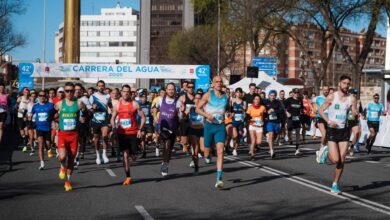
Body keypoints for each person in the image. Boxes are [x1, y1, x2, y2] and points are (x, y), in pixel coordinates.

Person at [317, 75, 357, 194]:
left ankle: (335, 184)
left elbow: (353, 112)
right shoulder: (332, 96)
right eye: (344, 83)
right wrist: (329, 121)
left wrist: (354, 112)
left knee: (342, 159)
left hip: (344, 130)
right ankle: (325, 151)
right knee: (335, 159)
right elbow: (320, 111)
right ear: (339, 83)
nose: (346, 86)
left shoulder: (352, 98)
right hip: (332, 129)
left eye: (348, 84)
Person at [196, 76, 229, 189]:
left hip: (220, 126)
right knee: (205, 151)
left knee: (221, 152)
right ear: (213, 84)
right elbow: (197, 109)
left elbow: (227, 109)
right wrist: (207, 115)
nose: (219, 83)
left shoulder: (225, 95)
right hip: (209, 126)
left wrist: (227, 115)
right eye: (217, 82)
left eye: (221, 82)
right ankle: (208, 155)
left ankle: (219, 178)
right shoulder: (208, 95)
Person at [55, 82, 87, 191]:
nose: (69, 93)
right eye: (67, 91)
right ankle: (62, 167)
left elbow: (86, 112)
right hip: (63, 134)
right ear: (64, 91)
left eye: (71, 91)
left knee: (71, 160)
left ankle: (68, 182)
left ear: (74, 91)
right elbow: (52, 114)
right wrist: (54, 122)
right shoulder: (59, 104)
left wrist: (83, 117)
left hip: (74, 135)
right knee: (63, 157)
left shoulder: (79, 103)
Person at [111, 85, 145, 185]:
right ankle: (128, 177)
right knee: (125, 155)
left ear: (130, 93)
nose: (126, 93)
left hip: (133, 133)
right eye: (124, 91)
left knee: (133, 156)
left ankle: (132, 153)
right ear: (121, 93)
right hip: (122, 133)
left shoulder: (135, 104)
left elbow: (143, 117)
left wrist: (140, 129)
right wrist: (114, 128)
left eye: (128, 92)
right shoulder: (117, 105)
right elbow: (112, 118)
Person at [154, 83, 181, 176]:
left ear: (175, 90)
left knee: (169, 148)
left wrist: (182, 112)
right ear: (166, 90)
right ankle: (165, 165)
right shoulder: (161, 100)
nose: (171, 91)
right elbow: (154, 108)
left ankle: (165, 162)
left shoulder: (178, 102)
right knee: (167, 144)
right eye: (169, 89)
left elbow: (180, 115)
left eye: (172, 89)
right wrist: (154, 116)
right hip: (162, 126)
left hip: (173, 128)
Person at [31, 90, 55, 170]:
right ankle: (42, 162)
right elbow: (31, 114)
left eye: (43, 95)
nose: (42, 97)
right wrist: (29, 120)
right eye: (40, 95)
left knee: (48, 144)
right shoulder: (35, 106)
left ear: (46, 96)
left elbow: (56, 114)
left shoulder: (51, 105)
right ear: (38, 97)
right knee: (40, 144)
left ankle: (49, 149)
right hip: (39, 128)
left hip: (48, 128)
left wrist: (54, 121)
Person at [89, 80, 112, 165]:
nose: (101, 87)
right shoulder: (92, 96)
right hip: (95, 120)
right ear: (97, 87)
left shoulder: (108, 96)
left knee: (105, 135)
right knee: (96, 138)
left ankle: (104, 154)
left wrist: (113, 110)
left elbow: (110, 105)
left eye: (102, 86)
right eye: (99, 86)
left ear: (104, 86)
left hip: (104, 119)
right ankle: (98, 155)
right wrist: (93, 108)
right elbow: (90, 110)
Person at [186, 92, 205, 174]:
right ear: (194, 99)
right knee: (196, 150)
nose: (198, 100)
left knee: (203, 149)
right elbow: (184, 116)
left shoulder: (204, 108)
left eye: (199, 98)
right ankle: (196, 167)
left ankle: (208, 154)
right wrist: (187, 110)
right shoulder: (190, 108)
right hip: (193, 130)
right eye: (196, 98)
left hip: (202, 130)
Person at [74, 84, 92, 163]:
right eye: (76, 89)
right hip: (71, 123)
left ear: (82, 91)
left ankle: (78, 154)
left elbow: (91, 111)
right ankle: (74, 155)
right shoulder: (69, 99)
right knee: (73, 141)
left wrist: (85, 114)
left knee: (80, 141)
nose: (77, 91)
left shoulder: (84, 99)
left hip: (81, 124)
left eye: (79, 90)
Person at [284, 88, 304, 155]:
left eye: (297, 93)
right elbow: (282, 107)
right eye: (295, 93)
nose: (296, 94)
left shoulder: (300, 100)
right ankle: (288, 136)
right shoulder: (289, 100)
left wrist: (302, 111)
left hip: (297, 118)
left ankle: (297, 149)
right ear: (292, 93)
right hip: (290, 118)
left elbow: (301, 108)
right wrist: (286, 112)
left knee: (298, 133)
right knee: (289, 130)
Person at [246, 94, 266, 160]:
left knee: (259, 142)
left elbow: (265, 116)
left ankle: (256, 146)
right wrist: (249, 118)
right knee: (253, 141)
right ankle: (252, 155)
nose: (257, 100)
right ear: (253, 100)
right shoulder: (250, 107)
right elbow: (247, 116)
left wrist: (264, 121)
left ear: (260, 100)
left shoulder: (262, 107)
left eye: (258, 99)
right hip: (252, 126)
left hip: (259, 126)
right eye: (256, 99)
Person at [264, 90, 284, 158]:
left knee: (274, 137)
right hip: (269, 121)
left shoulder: (278, 102)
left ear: (275, 96)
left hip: (276, 121)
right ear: (269, 95)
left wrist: (274, 111)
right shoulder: (265, 102)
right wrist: (267, 112)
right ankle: (272, 151)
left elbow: (281, 110)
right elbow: (262, 110)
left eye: (274, 95)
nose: (272, 97)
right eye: (271, 95)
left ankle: (271, 146)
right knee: (271, 135)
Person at [178, 81, 196, 153]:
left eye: (192, 87)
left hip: (195, 121)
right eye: (189, 87)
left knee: (194, 140)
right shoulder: (182, 98)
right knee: (184, 141)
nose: (191, 88)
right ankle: (185, 144)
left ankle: (193, 151)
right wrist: (182, 112)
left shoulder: (196, 98)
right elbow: (178, 111)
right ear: (186, 88)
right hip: (185, 121)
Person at [315, 86, 330, 163]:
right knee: (324, 134)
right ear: (322, 91)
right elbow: (310, 102)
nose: (326, 91)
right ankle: (321, 148)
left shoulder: (331, 98)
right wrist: (314, 109)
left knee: (327, 136)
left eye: (327, 90)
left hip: (328, 119)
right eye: (324, 90)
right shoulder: (318, 98)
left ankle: (323, 153)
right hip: (320, 117)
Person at [231, 88, 246, 157]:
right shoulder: (232, 100)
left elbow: (245, 112)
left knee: (239, 135)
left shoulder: (244, 102)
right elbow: (229, 110)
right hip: (234, 121)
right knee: (235, 135)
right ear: (235, 93)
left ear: (241, 93)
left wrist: (244, 109)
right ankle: (232, 140)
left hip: (241, 121)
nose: (238, 93)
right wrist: (231, 114)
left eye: (240, 92)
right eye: (237, 92)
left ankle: (235, 149)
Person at [139, 91, 154, 158]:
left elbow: (153, 111)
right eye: (142, 97)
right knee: (142, 136)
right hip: (141, 123)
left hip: (149, 123)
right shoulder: (138, 105)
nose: (143, 99)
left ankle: (148, 141)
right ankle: (143, 151)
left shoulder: (150, 104)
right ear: (140, 98)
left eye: (144, 97)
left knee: (150, 136)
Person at [347, 89, 361, 155]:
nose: (355, 94)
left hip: (354, 119)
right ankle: (345, 148)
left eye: (356, 93)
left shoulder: (357, 101)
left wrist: (359, 112)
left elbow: (360, 110)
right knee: (347, 136)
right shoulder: (346, 100)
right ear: (349, 93)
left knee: (357, 133)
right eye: (353, 93)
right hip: (347, 119)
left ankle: (351, 146)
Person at [17, 87, 30, 152]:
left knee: (26, 129)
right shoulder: (20, 98)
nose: (26, 93)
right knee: (21, 130)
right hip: (20, 116)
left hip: (27, 116)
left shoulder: (30, 99)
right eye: (25, 92)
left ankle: (25, 145)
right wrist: (17, 109)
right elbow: (16, 105)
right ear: (23, 92)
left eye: (27, 92)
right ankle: (25, 139)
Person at [26, 90, 37, 156]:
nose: (33, 98)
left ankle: (35, 143)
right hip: (29, 121)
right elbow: (26, 112)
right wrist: (26, 116)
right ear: (30, 97)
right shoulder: (28, 104)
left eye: (34, 96)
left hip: (35, 120)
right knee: (31, 136)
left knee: (35, 136)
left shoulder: (37, 104)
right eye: (32, 96)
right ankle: (32, 148)